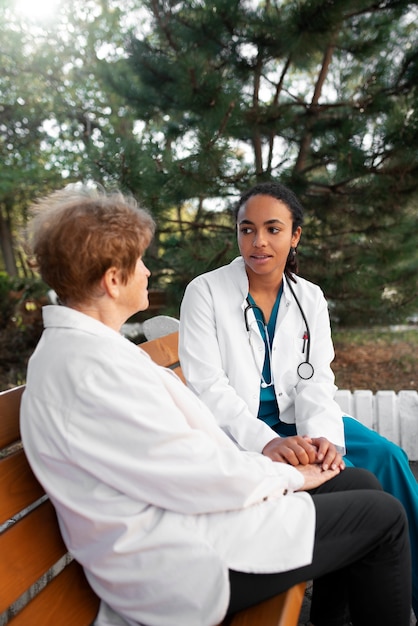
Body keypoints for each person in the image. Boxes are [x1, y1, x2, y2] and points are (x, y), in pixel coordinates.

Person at [20, 184, 412, 626]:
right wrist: (288, 475)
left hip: (186, 519)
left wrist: (296, 470)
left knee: (358, 481)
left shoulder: (91, 353)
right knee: (383, 517)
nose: (148, 273)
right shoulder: (90, 370)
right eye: (141, 263)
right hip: (177, 561)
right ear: (113, 280)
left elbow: (185, 463)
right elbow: (192, 473)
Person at [179, 180, 418, 623]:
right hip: (241, 430)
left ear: (295, 236)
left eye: (273, 229)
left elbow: (316, 381)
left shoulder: (309, 298)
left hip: (304, 423)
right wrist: (268, 443)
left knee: (387, 458)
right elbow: (208, 388)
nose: (259, 241)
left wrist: (324, 441)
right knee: (356, 482)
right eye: (247, 229)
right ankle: (335, 611)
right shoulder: (206, 292)